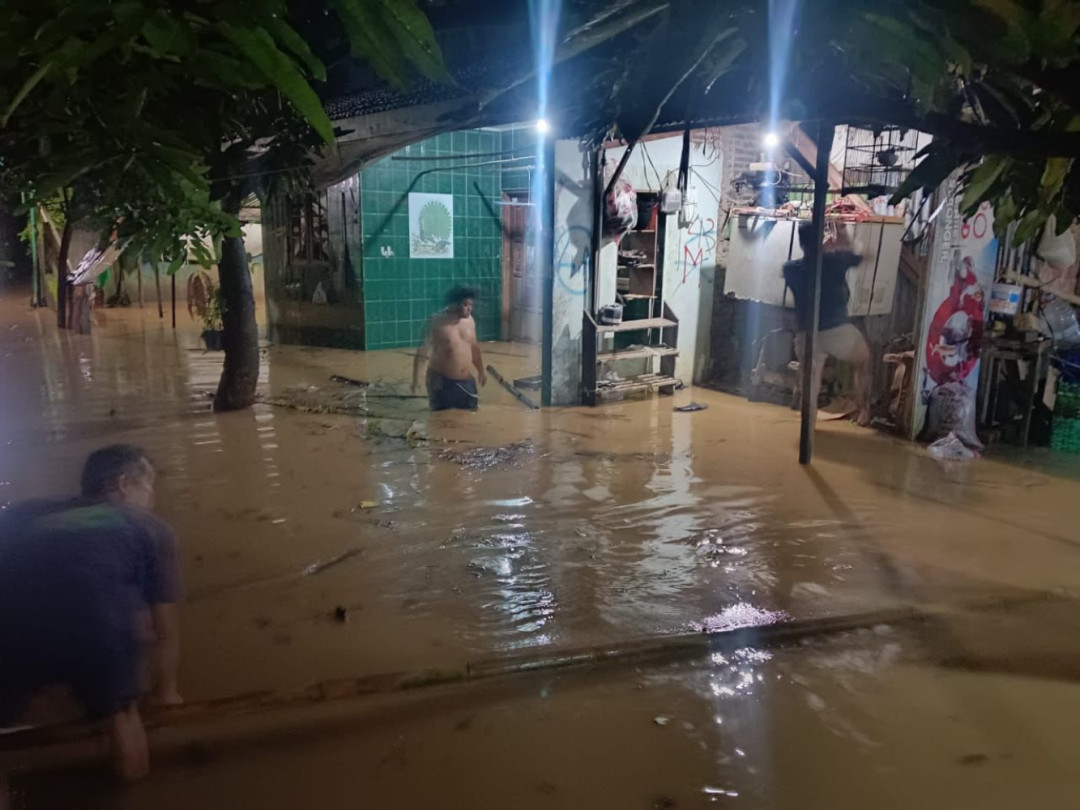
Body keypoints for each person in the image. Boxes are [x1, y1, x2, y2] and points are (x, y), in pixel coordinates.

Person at [0, 445, 181, 781]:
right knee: (122, 716)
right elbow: (164, 629)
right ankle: (134, 787)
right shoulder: (149, 526)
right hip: (100, 630)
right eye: (149, 485)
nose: (152, 497)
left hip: (10, 629)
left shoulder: (22, 513)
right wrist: (165, 692)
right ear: (124, 483)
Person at [783, 221, 872, 426]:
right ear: (820, 240)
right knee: (863, 361)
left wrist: (829, 246)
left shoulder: (790, 269)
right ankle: (864, 411)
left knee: (810, 383)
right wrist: (843, 236)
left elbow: (813, 262)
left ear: (801, 243)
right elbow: (864, 254)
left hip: (806, 335)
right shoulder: (834, 262)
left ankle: (808, 425)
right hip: (837, 332)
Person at [413, 286, 487, 410]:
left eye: (471, 305)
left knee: (470, 416)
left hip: (466, 382)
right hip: (442, 382)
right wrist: (416, 379)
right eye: (466, 304)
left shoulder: (470, 321)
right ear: (454, 304)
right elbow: (422, 352)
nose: (469, 308)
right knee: (440, 418)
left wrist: (481, 370)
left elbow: (474, 348)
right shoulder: (436, 321)